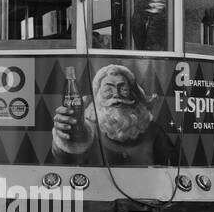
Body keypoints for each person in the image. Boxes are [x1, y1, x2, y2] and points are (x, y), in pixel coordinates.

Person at [52, 63, 180, 167]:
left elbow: (173, 162)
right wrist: (65, 135)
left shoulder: (152, 130)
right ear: (98, 96)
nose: (116, 95)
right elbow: (65, 158)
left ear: (132, 94)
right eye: (108, 90)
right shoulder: (87, 129)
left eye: (123, 89)